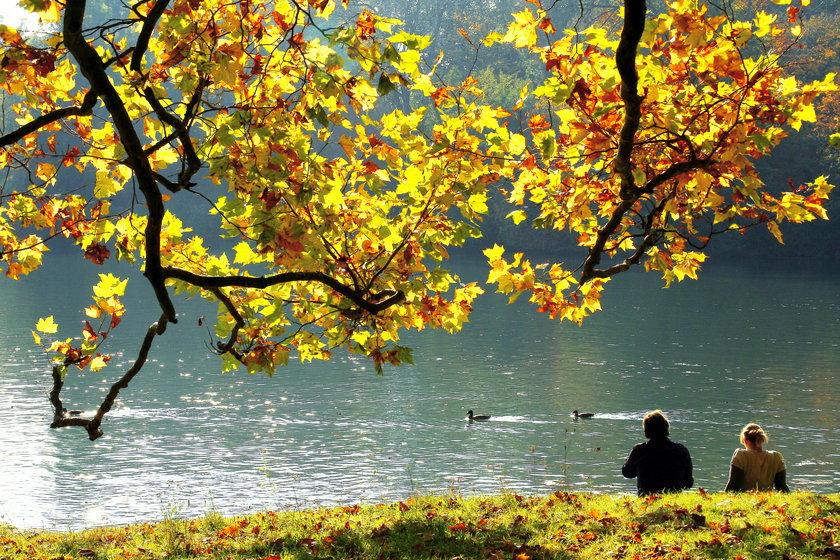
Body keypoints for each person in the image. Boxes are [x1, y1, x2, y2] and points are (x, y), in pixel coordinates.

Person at [622, 410, 694, 496]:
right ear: (666, 427)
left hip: (646, 497)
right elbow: (688, 483)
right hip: (673, 498)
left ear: (646, 430)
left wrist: (628, 461)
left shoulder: (639, 450)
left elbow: (627, 473)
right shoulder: (682, 451)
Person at [724, 423, 789, 492]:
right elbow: (781, 487)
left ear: (746, 441)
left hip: (745, 498)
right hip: (765, 496)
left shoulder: (741, 455)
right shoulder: (776, 457)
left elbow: (733, 485)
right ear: (762, 440)